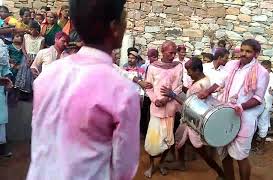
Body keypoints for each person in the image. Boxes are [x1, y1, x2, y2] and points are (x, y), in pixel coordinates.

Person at [26, 1, 140, 180]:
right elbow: (124, 168)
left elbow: (41, 142)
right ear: (115, 28)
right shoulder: (122, 90)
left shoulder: (47, 77)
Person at [198, 39, 269, 180]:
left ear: (256, 54)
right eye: (242, 50)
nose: (243, 54)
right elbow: (221, 81)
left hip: (245, 118)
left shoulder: (262, 72)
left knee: (240, 156)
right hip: (225, 114)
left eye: (248, 51)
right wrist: (208, 91)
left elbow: (258, 98)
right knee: (223, 152)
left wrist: (241, 106)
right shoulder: (232, 65)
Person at [160, 57, 225, 179]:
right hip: (189, 120)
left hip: (194, 122)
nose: (189, 75)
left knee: (201, 151)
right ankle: (180, 163)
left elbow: (192, 107)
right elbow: (191, 93)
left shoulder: (201, 85)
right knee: (179, 139)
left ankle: (221, 173)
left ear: (197, 70)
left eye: (190, 72)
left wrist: (172, 94)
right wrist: (180, 87)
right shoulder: (201, 80)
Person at [144, 40, 183, 178]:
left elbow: (178, 87)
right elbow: (148, 87)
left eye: (174, 53)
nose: (173, 56)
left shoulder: (178, 66)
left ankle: (160, 163)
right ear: (162, 51)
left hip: (170, 109)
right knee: (153, 141)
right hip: (156, 109)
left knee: (167, 139)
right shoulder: (153, 67)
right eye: (170, 53)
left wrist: (167, 99)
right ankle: (151, 166)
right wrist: (156, 100)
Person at [255, 60, 273, 153]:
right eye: (262, 68)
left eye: (265, 68)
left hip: (266, 104)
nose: (263, 70)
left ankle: (261, 146)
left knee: (263, 123)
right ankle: (253, 144)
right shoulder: (259, 74)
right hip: (257, 102)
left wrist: (272, 92)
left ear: (269, 68)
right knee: (254, 122)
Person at [15, 21, 44, 97]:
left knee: (33, 74)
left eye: (32, 29)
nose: (30, 31)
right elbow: (23, 48)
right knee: (24, 73)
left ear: (37, 29)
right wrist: (27, 57)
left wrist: (34, 60)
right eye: (29, 29)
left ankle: (32, 93)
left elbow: (40, 51)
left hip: (36, 58)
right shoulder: (26, 36)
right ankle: (23, 93)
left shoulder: (41, 39)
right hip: (26, 57)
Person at [0, 39, 13, 157]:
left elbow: (5, 68)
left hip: (1, 90)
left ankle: (2, 149)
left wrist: (8, 78)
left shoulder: (2, 45)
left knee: (1, 119)